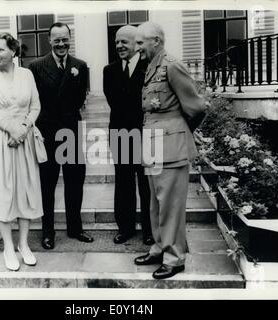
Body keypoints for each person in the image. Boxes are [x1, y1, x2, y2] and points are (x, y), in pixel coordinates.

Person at [134, 22, 207, 279]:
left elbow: (197, 107)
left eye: (141, 42)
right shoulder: (151, 66)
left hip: (171, 145)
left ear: (156, 40)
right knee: (155, 203)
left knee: (171, 205)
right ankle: (159, 248)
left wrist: (180, 130)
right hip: (152, 141)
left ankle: (175, 258)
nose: (137, 47)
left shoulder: (172, 65)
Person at [0, 32, 43, 271]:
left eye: (0, 50)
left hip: (24, 138)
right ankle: (8, 246)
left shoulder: (26, 75)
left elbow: (35, 105)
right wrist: (10, 129)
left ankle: (24, 245)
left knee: (25, 189)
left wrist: (24, 128)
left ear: (13, 51)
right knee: (3, 190)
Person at [28, 22, 93, 250]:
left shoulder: (80, 66)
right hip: (47, 132)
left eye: (65, 39)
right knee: (48, 184)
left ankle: (75, 228)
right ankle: (48, 231)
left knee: (75, 181)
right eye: (57, 40)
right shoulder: (36, 67)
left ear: (69, 38)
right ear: (49, 40)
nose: (61, 44)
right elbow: (34, 102)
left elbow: (78, 100)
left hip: (71, 130)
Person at [103, 25, 154, 245]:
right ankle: (125, 228)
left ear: (136, 43)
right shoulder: (109, 70)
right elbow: (115, 101)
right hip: (121, 132)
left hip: (145, 133)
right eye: (116, 42)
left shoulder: (150, 67)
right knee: (123, 182)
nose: (119, 46)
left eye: (124, 41)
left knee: (146, 183)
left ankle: (150, 230)